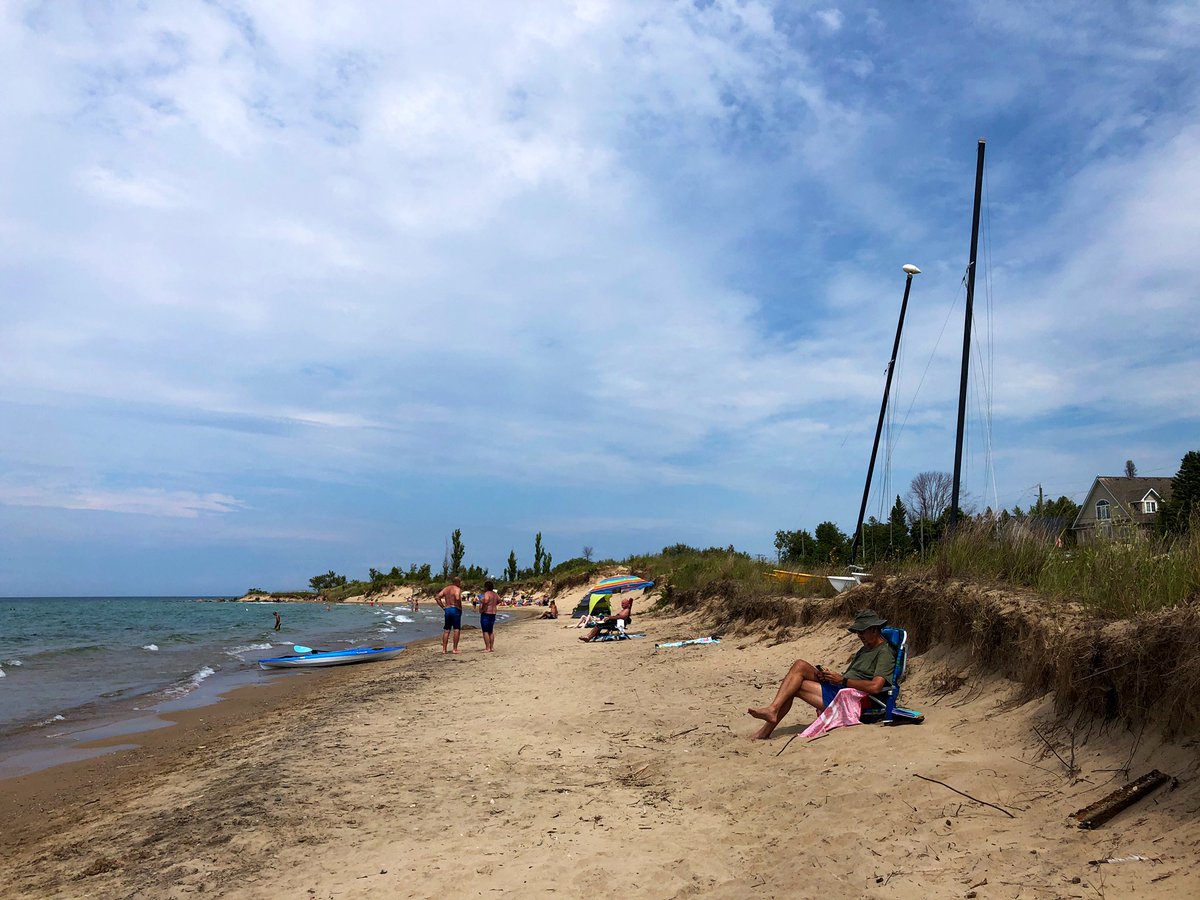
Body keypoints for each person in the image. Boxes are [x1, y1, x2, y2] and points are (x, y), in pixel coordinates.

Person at [746, 609, 895, 740]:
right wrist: (830, 677)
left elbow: (876, 687)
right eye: (857, 632)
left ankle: (766, 727)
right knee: (800, 665)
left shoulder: (884, 653)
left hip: (855, 697)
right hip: (841, 687)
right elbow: (853, 676)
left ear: (875, 629)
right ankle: (772, 711)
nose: (859, 635)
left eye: (862, 631)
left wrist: (842, 681)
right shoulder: (865, 649)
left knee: (795, 686)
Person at [435, 577, 464, 654]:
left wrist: (443, 607)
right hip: (455, 609)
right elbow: (457, 597)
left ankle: (444, 650)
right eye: (460, 582)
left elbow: (437, 597)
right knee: (456, 629)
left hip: (447, 610)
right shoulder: (457, 589)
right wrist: (460, 607)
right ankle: (455, 649)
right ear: (457, 582)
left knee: (446, 630)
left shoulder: (446, 589)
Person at [478, 581, 501, 652]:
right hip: (493, 613)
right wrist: (493, 604)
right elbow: (499, 600)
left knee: (485, 631)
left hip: (486, 613)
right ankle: (491, 647)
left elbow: (486, 600)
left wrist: (483, 607)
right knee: (490, 631)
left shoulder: (487, 593)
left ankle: (487, 648)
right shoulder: (495, 594)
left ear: (486, 587)